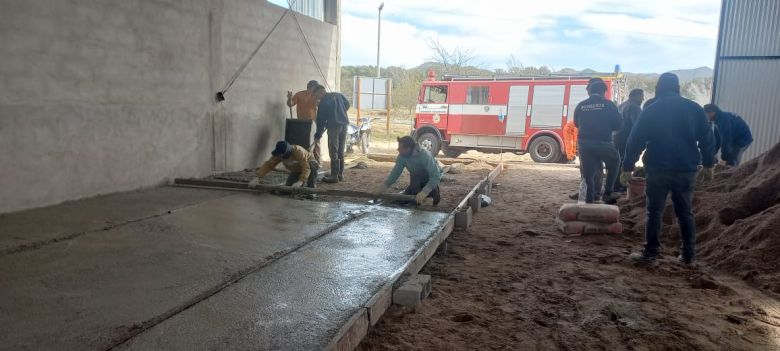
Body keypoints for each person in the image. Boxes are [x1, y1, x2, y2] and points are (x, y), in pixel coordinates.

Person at [620, 73, 716, 265]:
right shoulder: (694, 109)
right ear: (678, 88)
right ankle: (688, 256)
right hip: (686, 168)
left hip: (658, 167)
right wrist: (708, 164)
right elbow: (707, 138)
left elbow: (635, 140)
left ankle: (651, 253)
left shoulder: (651, 109)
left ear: (658, 88)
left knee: (654, 211)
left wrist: (627, 166)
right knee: (685, 212)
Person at [573, 78, 622, 204]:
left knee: (588, 173)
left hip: (584, 144)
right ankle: (608, 193)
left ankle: (589, 198)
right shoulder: (609, 105)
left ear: (590, 92)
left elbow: (576, 124)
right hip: (603, 143)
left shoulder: (581, 105)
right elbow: (618, 125)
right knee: (615, 161)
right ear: (603, 92)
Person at [375, 136, 442, 205]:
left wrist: (424, 192)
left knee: (425, 193)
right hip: (415, 178)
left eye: (400, 147)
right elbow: (395, 173)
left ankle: (435, 192)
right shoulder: (402, 156)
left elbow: (435, 176)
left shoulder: (424, 155)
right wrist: (383, 187)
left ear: (408, 148)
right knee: (405, 199)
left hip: (428, 177)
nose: (398, 149)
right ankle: (417, 195)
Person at [313, 86, 351, 183]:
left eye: (317, 95)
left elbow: (320, 121)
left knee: (333, 150)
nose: (317, 97)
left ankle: (334, 176)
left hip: (334, 126)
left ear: (321, 91)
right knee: (340, 150)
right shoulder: (338, 95)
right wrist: (340, 113)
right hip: (344, 124)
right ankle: (340, 174)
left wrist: (317, 136)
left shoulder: (323, 102)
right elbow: (347, 104)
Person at [249, 140, 319, 188]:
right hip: (297, 168)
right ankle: (300, 184)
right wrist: (257, 177)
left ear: (286, 153)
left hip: (309, 164)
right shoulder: (279, 154)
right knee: (288, 188)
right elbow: (269, 164)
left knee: (312, 165)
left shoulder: (298, 151)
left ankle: (311, 189)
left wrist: (301, 181)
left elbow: (306, 167)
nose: (279, 156)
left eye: (280, 155)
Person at [288, 80, 321, 161]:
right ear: (309, 87)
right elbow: (290, 104)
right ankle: (303, 159)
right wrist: (289, 99)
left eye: (315, 89)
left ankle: (317, 160)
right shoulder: (300, 94)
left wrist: (318, 101)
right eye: (313, 88)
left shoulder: (316, 95)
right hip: (302, 122)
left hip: (314, 122)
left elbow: (319, 106)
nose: (314, 90)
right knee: (303, 141)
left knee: (316, 141)